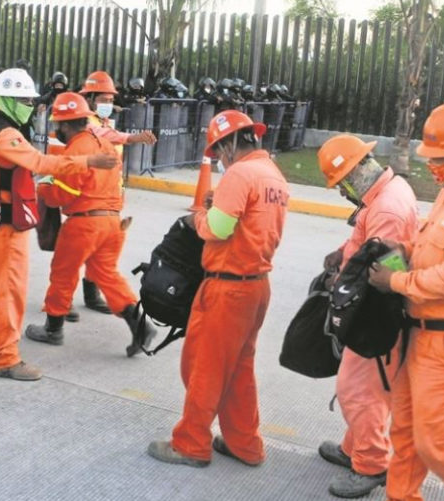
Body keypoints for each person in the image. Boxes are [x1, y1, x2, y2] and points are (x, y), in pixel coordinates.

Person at [147, 110, 288, 468]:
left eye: (218, 151)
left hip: (228, 289)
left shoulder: (240, 174)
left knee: (202, 368)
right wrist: (217, 209)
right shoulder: (272, 174)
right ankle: (245, 444)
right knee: (239, 369)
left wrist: (197, 218)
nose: (219, 160)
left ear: (227, 144)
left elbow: (218, 229)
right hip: (255, 286)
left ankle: (191, 444)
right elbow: (245, 222)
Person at [0, 68, 117, 382]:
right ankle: (5, 358)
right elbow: (40, 162)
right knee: (9, 290)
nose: (29, 104)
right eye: (22, 99)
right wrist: (87, 162)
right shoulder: (7, 134)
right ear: (6, 99)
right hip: (6, 222)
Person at [369, 102, 444, 501]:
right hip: (421, 334)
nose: (433, 168)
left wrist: (397, 280)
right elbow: (430, 247)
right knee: (405, 431)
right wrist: (403, 246)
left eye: (440, 160)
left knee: (435, 443)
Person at [315, 134, 418, 498]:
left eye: (342, 184)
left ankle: (371, 464)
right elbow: (365, 245)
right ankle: (354, 448)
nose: (342, 193)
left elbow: (380, 272)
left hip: (376, 314)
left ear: (358, 173)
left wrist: (344, 289)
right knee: (366, 389)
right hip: (376, 311)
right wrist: (342, 252)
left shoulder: (387, 209)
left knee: (357, 390)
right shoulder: (386, 193)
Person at [24, 92, 156, 356]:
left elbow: (63, 194)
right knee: (106, 274)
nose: (56, 129)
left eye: (57, 125)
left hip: (84, 225)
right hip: (111, 223)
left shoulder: (77, 149)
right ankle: (141, 325)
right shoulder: (105, 145)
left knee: (63, 273)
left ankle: (53, 329)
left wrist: (43, 190)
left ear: (64, 124)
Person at [75, 70, 157, 318]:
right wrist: (133, 137)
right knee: (76, 251)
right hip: (88, 199)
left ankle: (90, 295)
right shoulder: (86, 123)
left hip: (109, 197)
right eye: (103, 100)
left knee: (99, 249)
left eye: (111, 101)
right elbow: (106, 137)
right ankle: (59, 302)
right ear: (89, 100)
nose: (108, 105)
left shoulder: (104, 122)